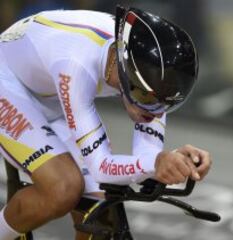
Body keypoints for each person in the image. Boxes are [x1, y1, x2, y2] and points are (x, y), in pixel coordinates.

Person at [0, 5, 211, 240]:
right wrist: (155, 163)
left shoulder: (148, 74)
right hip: (8, 83)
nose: (153, 113)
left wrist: (173, 162)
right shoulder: (77, 65)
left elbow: (147, 156)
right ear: (123, 70)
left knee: (101, 211)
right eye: (145, 99)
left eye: (164, 106)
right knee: (63, 188)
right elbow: (102, 167)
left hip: (51, 89)